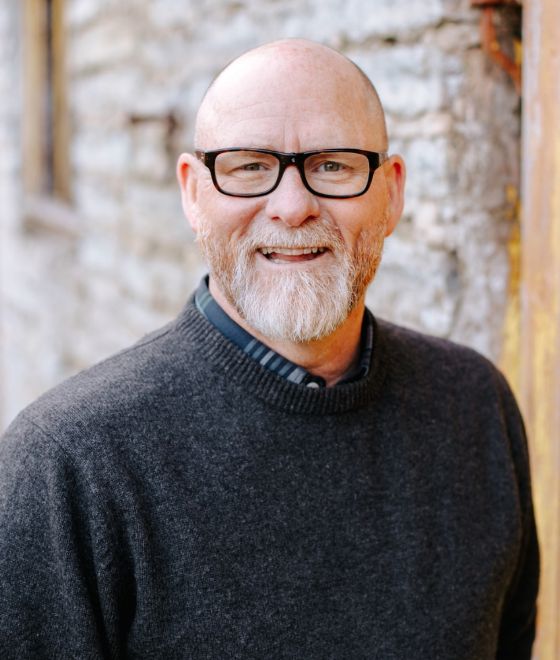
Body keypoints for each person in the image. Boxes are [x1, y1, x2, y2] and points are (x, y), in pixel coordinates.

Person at [0, 39, 538, 659]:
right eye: (250, 166)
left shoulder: (474, 407)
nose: (292, 207)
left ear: (391, 194)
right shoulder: (67, 467)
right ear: (193, 194)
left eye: (333, 165)